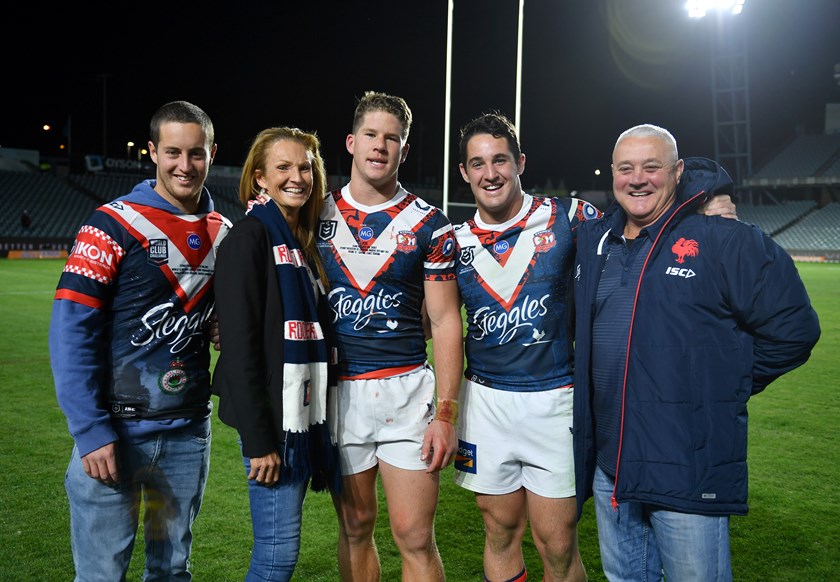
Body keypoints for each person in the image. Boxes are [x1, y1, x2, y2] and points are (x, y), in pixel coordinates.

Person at [452, 112, 739, 582]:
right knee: (498, 528)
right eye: (478, 163)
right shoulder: (451, 241)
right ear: (464, 172)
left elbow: (643, 205)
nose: (491, 173)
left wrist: (704, 199)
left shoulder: (572, 218)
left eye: (501, 160)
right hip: (484, 401)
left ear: (520, 162)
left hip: (556, 398)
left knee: (558, 541)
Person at [571, 123, 821, 581]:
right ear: (612, 174)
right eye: (626, 168)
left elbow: (795, 330)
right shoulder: (597, 244)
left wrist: (726, 381)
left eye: (652, 167)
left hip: (686, 468)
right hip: (612, 468)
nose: (638, 178)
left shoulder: (722, 237)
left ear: (678, 171)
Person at [48, 100, 230, 580]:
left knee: (172, 571)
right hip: (116, 434)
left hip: (189, 431)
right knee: (101, 576)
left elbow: (230, 318)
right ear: (152, 152)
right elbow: (71, 331)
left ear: (213, 153)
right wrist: (90, 431)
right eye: (173, 152)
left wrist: (223, 326)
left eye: (196, 154)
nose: (184, 166)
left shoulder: (225, 234)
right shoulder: (109, 224)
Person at [317, 91, 463, 581]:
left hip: (407, 392)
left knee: (415, 536)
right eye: (372, 135)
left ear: (404, 148)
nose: (381, 146)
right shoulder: (315, 217)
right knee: (356, 526)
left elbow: (444, 322)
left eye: (393, 138)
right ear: (351, 142)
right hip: (340, 392)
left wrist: (446, 413)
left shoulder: (430, 224)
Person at [212, 127, 341, 581]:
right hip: (274, 430)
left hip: (297, 417)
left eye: (304, 167)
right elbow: (241, 352)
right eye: (283, 167)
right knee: (275, 556)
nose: (296, 176)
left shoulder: (302, 246)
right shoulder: (249, 238)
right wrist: (259, 443)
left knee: (279, 551)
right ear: (260, 177)